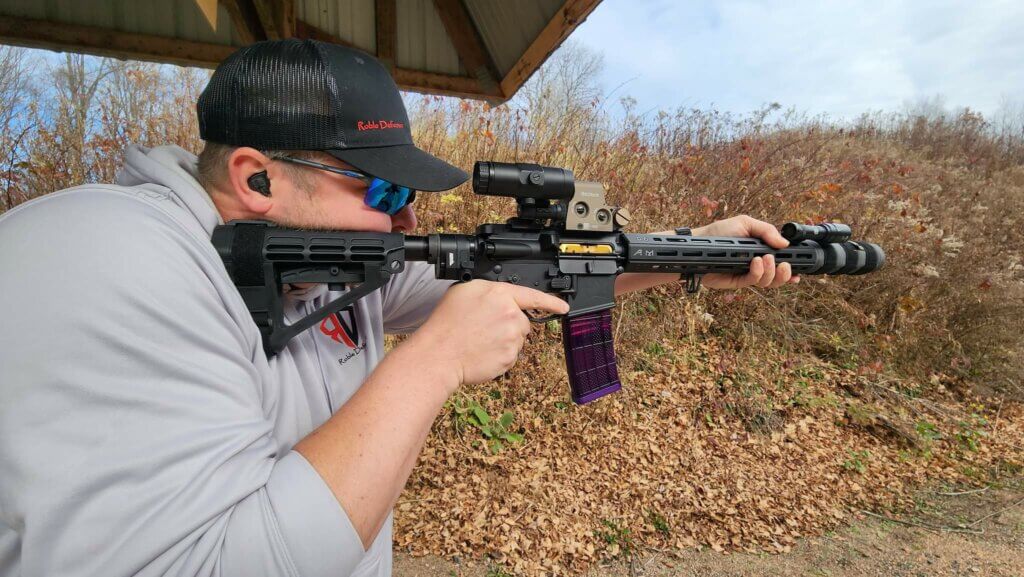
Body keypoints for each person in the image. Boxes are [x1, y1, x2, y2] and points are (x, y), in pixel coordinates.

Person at [0, 39, 798, 577]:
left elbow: (533, 274)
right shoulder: (103, 255)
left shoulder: (322, 268)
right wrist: (433, 361)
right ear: (258, 178)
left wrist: (695, 249)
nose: (407, 222)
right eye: (383, 191)